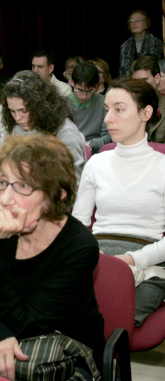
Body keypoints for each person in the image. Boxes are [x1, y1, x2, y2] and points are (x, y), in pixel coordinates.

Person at [0, 134, 105, 379]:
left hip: (64, 359)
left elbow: (26, 324)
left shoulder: (78, 246)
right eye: (2, 183)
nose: (5, 199)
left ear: (58, 194)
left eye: (23, 186)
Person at [73, 78, 165, 327]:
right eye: (106, 110)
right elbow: (78, 224)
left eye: (119, 110)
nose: (107, 119)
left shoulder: (162, 167)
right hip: (97, 256)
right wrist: (96, 255)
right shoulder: (97, 163)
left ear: (145, 113)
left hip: (147, 262)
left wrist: (133, 260)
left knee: (118, 317)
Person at [0, 70, 86, 183]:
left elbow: (73, 187)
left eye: (23, 111)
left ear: (39, 106)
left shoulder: (65, 132)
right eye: (12, 111)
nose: (17, 117)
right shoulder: (15, 128)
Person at [68, 62, 111, 153]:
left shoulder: (103, 102)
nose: (84, 96)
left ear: (96, 85)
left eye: (90, 91)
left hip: (95, 151)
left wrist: (92, 144)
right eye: (80, 90)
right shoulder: (63, 104)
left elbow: (109, 135)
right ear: (72, 82)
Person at [130, 54, 165, 143]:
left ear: (157, 78)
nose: (140, 85)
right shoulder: (129, 106)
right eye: (136, 81)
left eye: (145, 80)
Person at [119, 10, 164, 77]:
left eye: (138, 20)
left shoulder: (156, 43)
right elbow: (122, 70)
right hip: (130, 83)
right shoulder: (125, 46)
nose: (134, 23)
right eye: (131, 21)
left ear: (146, 24)